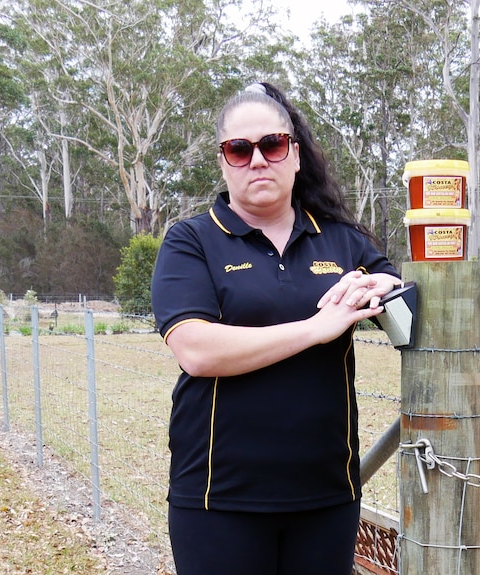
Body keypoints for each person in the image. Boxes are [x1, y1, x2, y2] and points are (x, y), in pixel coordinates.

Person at [151, 82, 401, 575]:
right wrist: (317, 328)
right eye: (239, 150)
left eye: (272, 145)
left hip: (327, 495)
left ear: (295, 154)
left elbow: (395, 284)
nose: (258, 160)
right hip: (218, 498)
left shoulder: (340, 239)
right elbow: (196, 350)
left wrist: (375, 284)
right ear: (223, 162)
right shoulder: (192, 240)